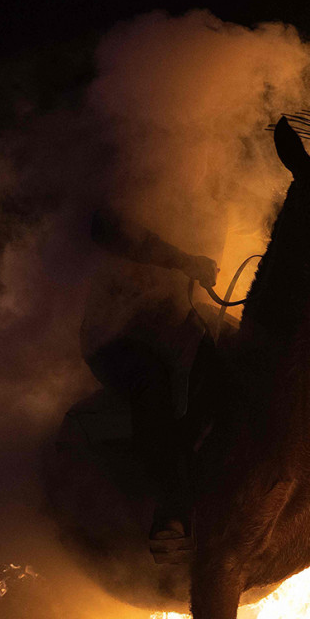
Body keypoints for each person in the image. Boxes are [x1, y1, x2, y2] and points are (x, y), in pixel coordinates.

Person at [81, 207, 218, 557]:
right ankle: (170, 512)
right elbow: (110, 226)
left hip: (168, 326)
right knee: (151, 379)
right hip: (116, 339)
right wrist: (185, 261)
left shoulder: (194, 192)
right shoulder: (123, 186)